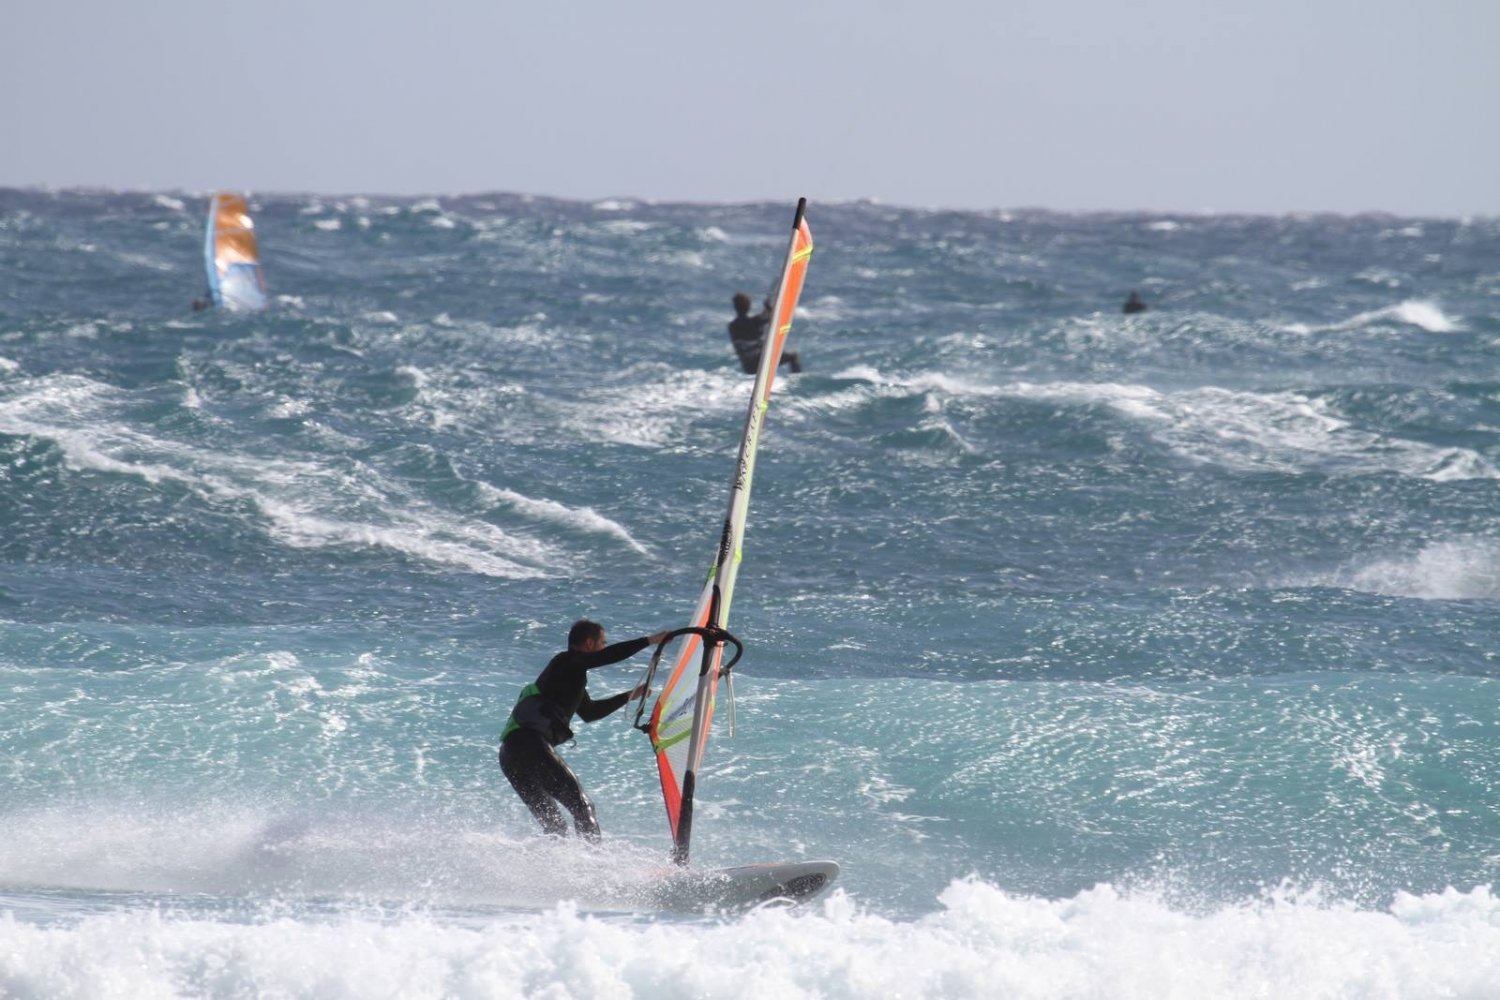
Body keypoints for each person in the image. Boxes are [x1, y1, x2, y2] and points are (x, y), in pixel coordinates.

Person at [498, 619, 670, 840]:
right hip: (530, 745)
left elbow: (590, 713)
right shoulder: (565, 661)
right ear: (589, 643)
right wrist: (651, 640)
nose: (604, 647)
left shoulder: (567, 677)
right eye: (602, 643)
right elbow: (606, 657)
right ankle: (597, 865)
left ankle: (556, 870)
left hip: (510, 755)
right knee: (582, 805)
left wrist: (629, 696)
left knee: (555, 825)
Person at [728, 291, 802, 374]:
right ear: (749, 307)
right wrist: (768, 307)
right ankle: (797, 380)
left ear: (735, 307)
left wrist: (767, 309)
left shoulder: (732, 326)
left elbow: (761, 319)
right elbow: (767, 317)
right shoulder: (755, 322)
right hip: (762, 361)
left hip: (748, 367)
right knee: (793, 357)